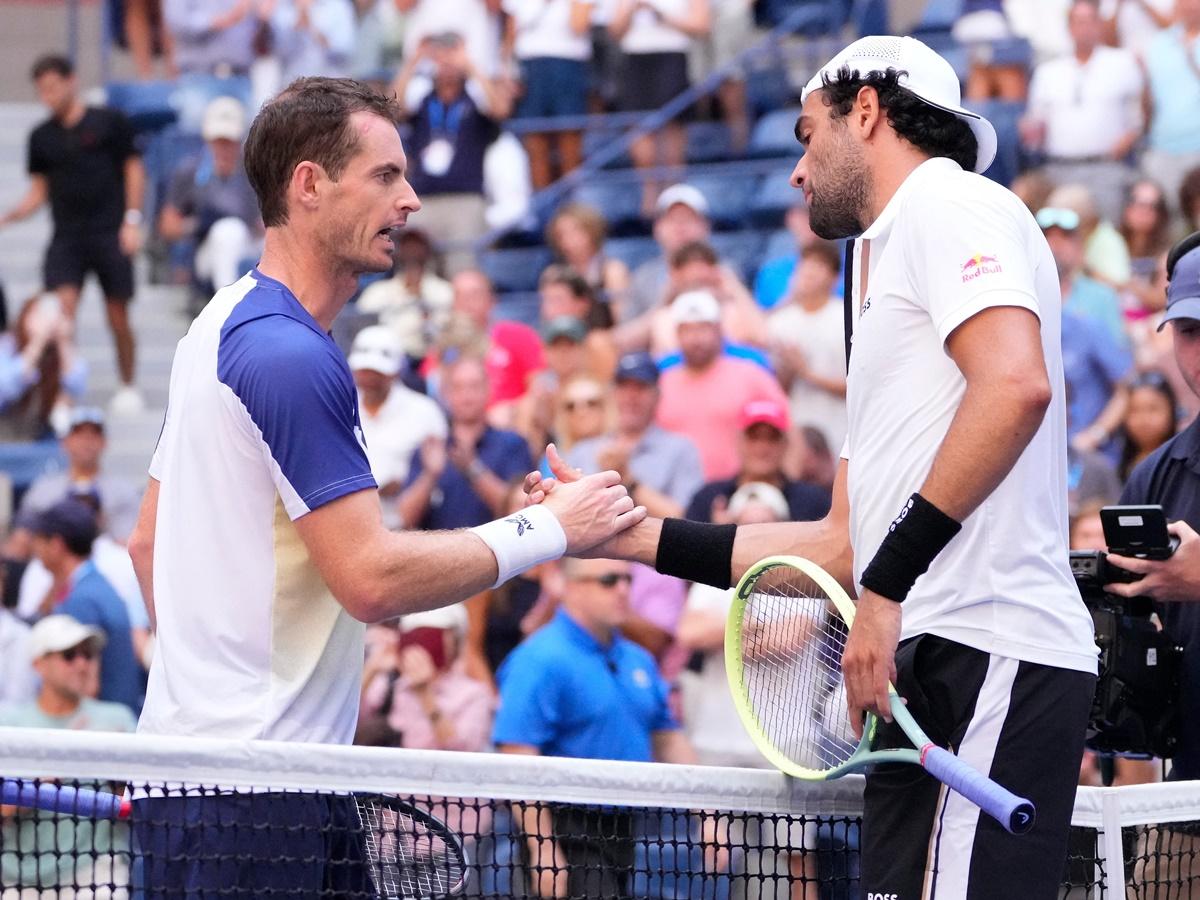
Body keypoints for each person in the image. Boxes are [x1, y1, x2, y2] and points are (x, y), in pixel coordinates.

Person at [528, 35, 1098, 899]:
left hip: (986, 647)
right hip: (927, 664)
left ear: (865, 111)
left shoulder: (948, 200)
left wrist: (886, 587)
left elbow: (1017, 387)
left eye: (806, 133)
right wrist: (635, 537)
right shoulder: (887, 278)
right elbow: (840, 547)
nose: (796, 171)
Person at [125, 77, 641, 896]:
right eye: (385, 176)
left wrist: (214, 689)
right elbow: (369, 578)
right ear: (308, 185)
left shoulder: (213, 327)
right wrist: (551, 531)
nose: (409, 200)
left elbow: (144, 542)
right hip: (261, 799)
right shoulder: (290, 355)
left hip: (219, 781)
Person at [492, 556, 698, 897]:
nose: (622, 590)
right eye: (607, 580)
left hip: (625, 826)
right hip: (566, 829)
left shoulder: (639, 659)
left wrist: (708, 811)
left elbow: (667, 737)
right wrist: (543, 848)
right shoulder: (538, 659)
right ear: (569, 586)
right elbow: (517, 756)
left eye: (627, 580)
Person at [0, 55, 145, 415]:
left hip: (109, 232)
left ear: (71, 81)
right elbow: (38, 191)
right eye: (41, 90)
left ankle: (127, 384)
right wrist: (10, 216)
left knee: (118, 315)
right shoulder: (41, 138)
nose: (47, 95)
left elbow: (133, 170)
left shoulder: (109, 122)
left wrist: (132, 219)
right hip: (67, 237)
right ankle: (65, 392)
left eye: (52, 86)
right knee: (59, 315)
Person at [0, 615, 137, 896]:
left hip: (98, 872)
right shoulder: (9, 725)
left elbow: (138, 804)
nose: (81, 664)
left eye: (87, 655)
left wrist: (117, 773)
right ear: (38, 664)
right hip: (22, 876)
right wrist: (50, 771)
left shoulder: (117, 719)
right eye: (69, 655)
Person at [392, 34, 507, 274]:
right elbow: (393, 106)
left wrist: (471, 66)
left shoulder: (473, 101)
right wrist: (414, 62)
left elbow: (499, 109)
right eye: (440, 59)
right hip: (423, 199)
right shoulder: (424, 100)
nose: (446, 64)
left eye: (451, 57)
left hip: (465, 198)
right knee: (417, 271)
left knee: (463, 269)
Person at [1020, 0, 1143, 223]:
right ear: (1069, 26)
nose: (1084, 28)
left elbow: (1138, 119)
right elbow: (1035, 125)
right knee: (1059, 232)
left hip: (1105, 167)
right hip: (1059, 167)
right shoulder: (1048, 71)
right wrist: (1030, 132)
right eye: (1078, 21)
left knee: (1107, 230)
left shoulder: (1122, 63)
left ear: (1099, 24)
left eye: (1089, 21)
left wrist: (1127, 140)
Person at [654, 289, 788, 480]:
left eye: (703, 328)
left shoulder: (751, 374)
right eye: (688, 330)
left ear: (718, 329)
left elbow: (788, 430)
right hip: (674, 496)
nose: (695, 338)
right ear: (677, 333)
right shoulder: (661, 381)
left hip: (738, 494)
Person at [27, 499, 142, 713]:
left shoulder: (83, 600)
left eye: (39, 540)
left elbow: (83, 685)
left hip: (100, 732)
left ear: (56, 545)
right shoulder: (94, 587)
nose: (35, 548)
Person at [398, 354, 536, 530]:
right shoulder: (430, 449)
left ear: (488, 389)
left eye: (474, 386)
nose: (466, 395)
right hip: (440, 554)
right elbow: (404, 518)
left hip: (498, 553)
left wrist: (473, 469)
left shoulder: (513, 444)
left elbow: (522, 510)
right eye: (458, 388)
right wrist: (430, 476)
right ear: (445, 394)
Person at [158, 96, 262, 293]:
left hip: (250, 244)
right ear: (208, 139)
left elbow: (266, 225)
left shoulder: (254, 172)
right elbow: (167, 226)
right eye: (218, 141)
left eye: (229, 141)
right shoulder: (191, 171)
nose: (224, 147)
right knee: (228, 232)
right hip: (206, 251)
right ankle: (229, 310)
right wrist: (197, 225)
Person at [349, 325, 447, 529]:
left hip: (410, 525)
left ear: (395, 372)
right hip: (350, 520)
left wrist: (404, 481)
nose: (370, 379)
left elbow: (439, 475)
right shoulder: (340, 406)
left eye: (377, 372)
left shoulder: (424, 411)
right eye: (364, 371)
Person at [357, 605, 494, 751]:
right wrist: (371, 670)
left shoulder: (473, 695)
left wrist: (425, 695)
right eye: (418, 635)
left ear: (456, 641)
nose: (427, 644)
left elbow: (465, 751)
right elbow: (347, 724)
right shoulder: (389, 685)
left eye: (434, 636)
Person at [685, 398, 830, 524]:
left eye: (772, 438)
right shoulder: (708, 499)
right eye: (753, 437)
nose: (762, 448)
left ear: (785, 444)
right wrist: (716, 535)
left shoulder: (813, 502)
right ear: (739, 442)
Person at [768, 239, 849, 450]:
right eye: (806, 264)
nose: (810, 272)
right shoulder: (780, 322)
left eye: (820, 265)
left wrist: (806, 372)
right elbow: (774, 390)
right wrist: (788, 370)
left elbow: (858, 386)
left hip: (841, 429)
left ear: (834, 277)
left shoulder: (847, 319)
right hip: (795, 429)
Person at [20, 407, 143, 544]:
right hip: (51, 561)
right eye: (78, 433)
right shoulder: (43, 490)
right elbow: (21, 543)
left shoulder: (123, 492)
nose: (86, 441)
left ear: (104, 442)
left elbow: (129, 546)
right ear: (65, 442)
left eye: (94, 434)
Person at [354, 227, 453, 367]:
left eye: (418, 245)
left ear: (428, 250)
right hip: (390, 361)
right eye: (407, 245)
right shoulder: (378, 292)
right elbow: (361, 324)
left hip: (433, 361)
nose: (412, 251)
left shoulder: (445, 291)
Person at [1117, 369, 1179, 481]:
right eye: (1134, 410)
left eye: (1153, 409)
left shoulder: (1184, 462)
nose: (1144, 419)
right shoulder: (1120, 463)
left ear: (1172, 410)